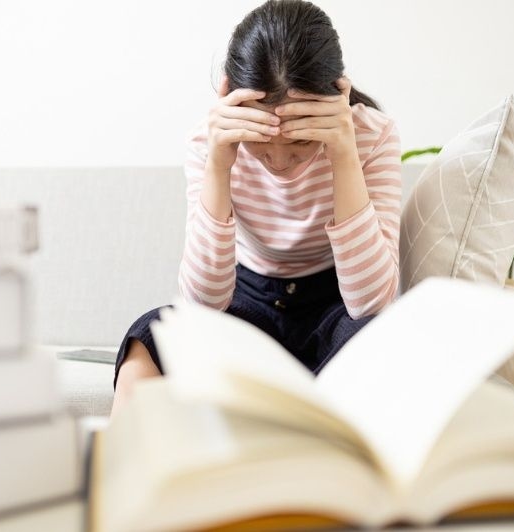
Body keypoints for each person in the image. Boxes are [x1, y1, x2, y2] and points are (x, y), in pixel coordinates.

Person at [111, 0, 401, 416]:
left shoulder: (372, 137)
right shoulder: (208, 143)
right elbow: (201, 307)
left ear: (337, 95)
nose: (280, 163)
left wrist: (343, 154)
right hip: (246, 304)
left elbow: (370, 304)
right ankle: (128, 476)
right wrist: (218, 165)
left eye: (300, 142)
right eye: (262, 144)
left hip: (337, 305)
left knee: (382, 337)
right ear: (229, 96)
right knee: (150, 338)